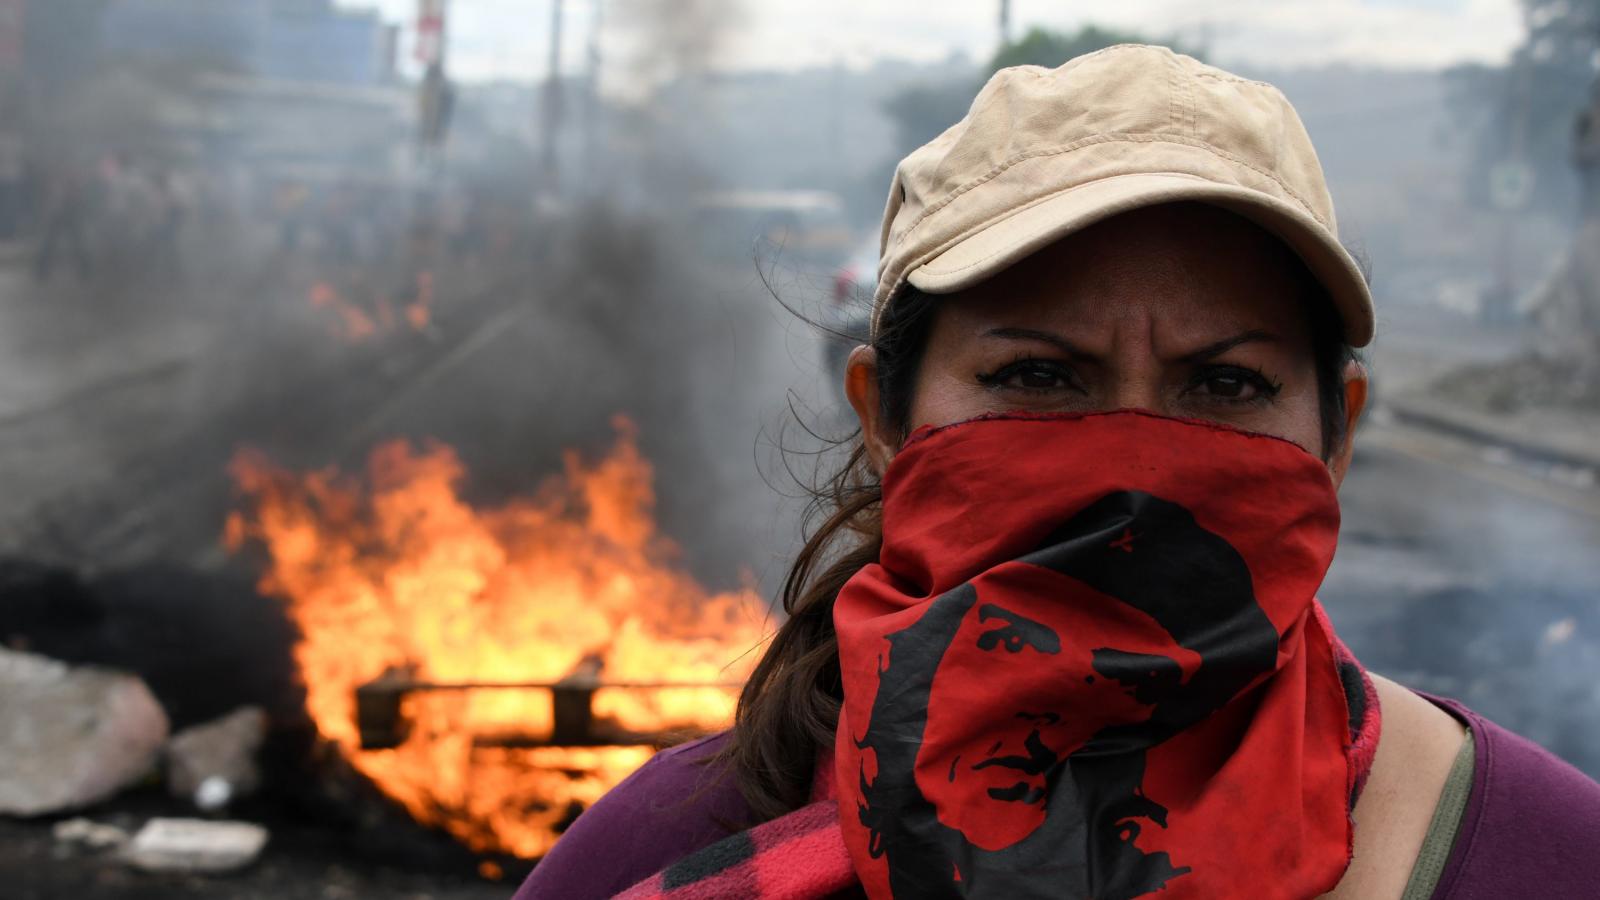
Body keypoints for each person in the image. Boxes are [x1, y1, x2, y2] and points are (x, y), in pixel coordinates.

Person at [513, 45, 1600, 900]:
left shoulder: (1536, 858)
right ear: (882, 421)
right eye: (1036, 374)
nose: (1129, 467)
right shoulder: (666, 848)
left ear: (1337, 434)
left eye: (1223, 386)